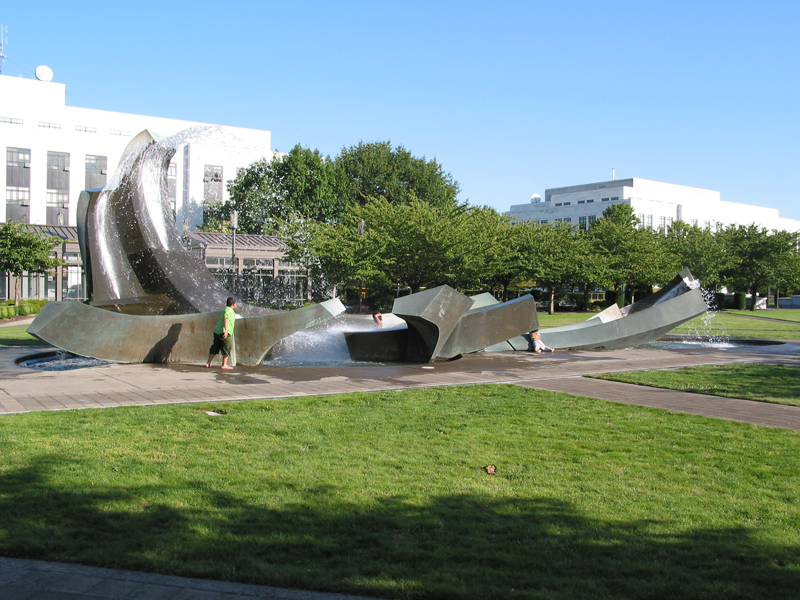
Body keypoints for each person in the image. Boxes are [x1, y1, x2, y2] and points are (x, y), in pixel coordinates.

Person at [206, 297, 237, 369]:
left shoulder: (226, 309)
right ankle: (224, 364)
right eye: (235, 303)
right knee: (226, 347)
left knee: (215, 346)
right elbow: (225, 319)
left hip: (217, 331)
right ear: (233, 304)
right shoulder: (229, 311)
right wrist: (226, 331)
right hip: (224, 332)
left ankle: (208, 363)